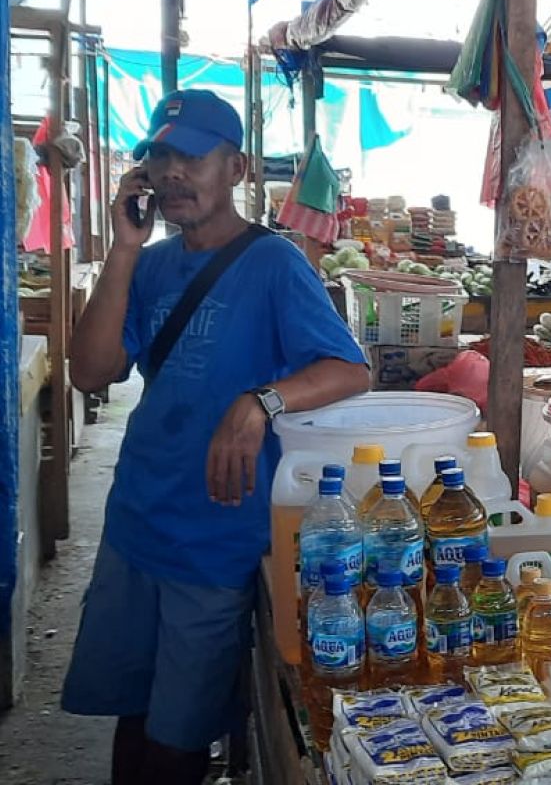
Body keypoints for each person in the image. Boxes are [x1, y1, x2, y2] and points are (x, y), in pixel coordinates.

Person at [61, 89, 370, 785]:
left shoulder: (275, 263)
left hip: (216, 538)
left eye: (193, 156)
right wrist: (124, 247)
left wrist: (261, 401)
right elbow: (90, 371)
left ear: (236, 167)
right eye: (162, 156)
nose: (173, 172)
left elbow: (350, 368)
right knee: (132, 712)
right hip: (136, 518)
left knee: (180, 734)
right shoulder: (149, 266)